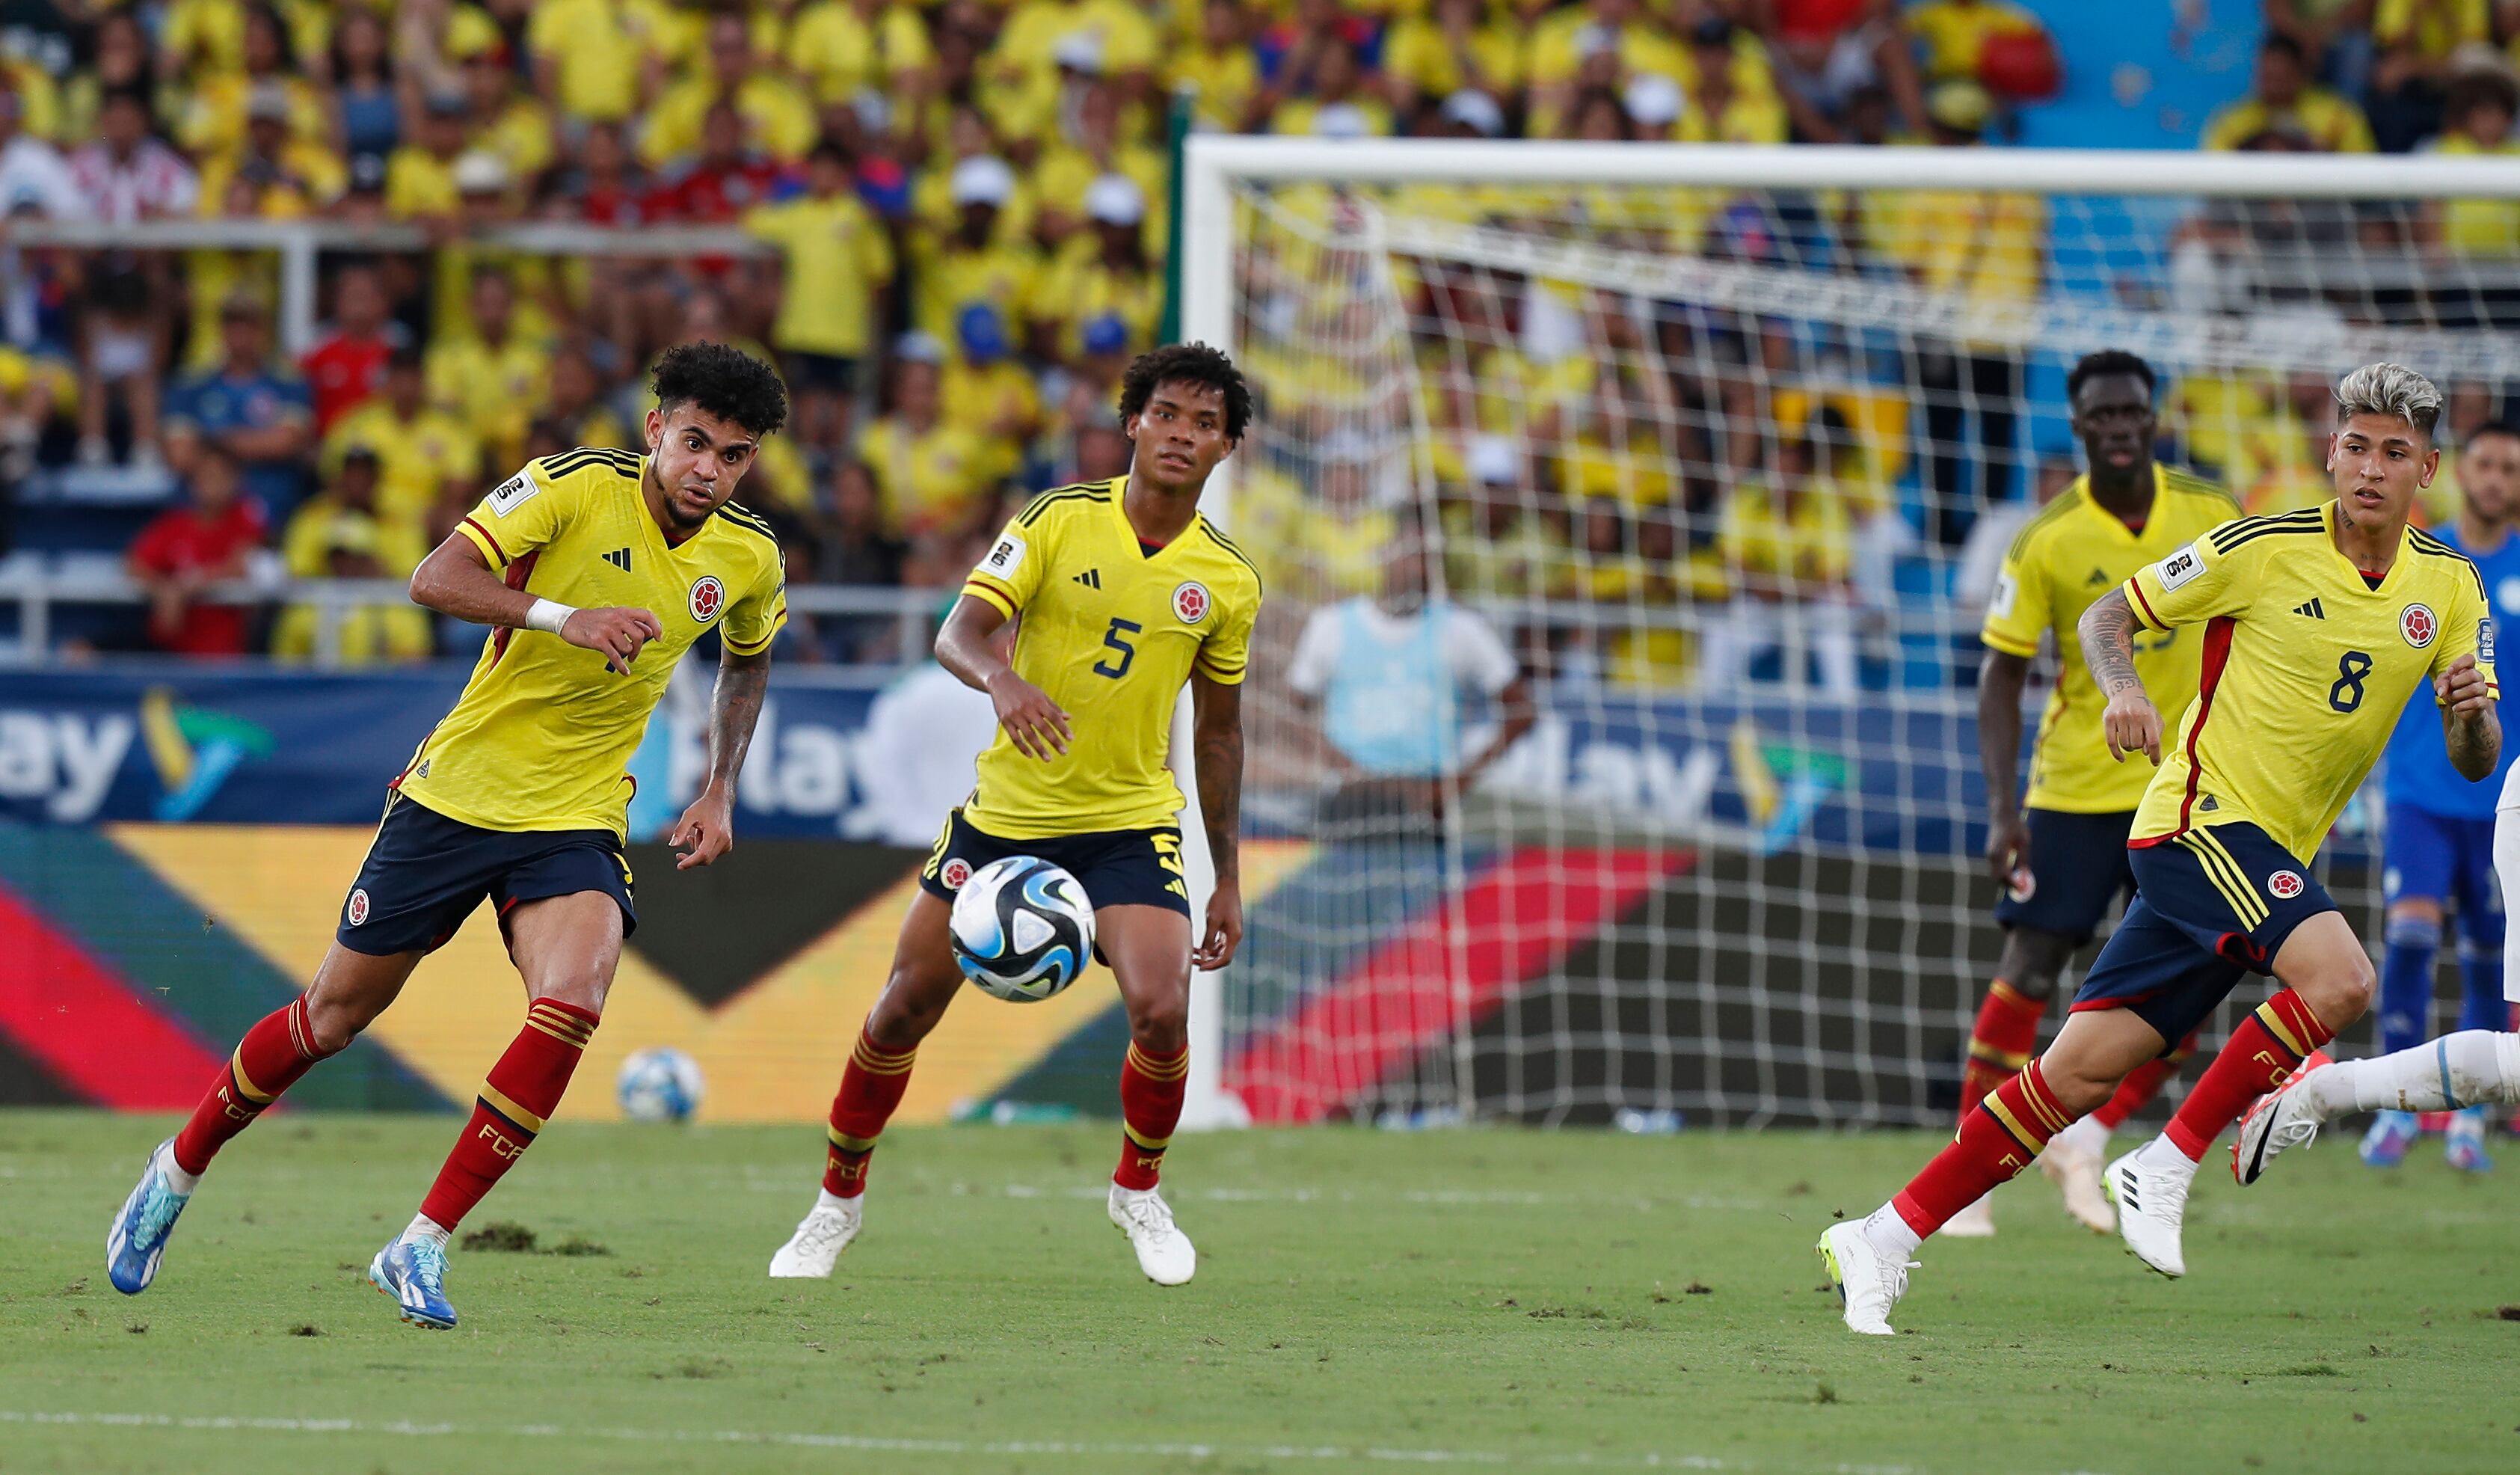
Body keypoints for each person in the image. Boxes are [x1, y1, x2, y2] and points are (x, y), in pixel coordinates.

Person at [107, 345, 793, 1331]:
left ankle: (419, 1244)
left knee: (574, 1002)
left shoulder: (749, 554)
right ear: (655, 431)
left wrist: (722, 786)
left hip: (576, 813)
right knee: (330, 1021)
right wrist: (565, 616)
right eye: (694, 443)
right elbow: (435, 578)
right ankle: (177, 1169)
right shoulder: (569, 488)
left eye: (732, 457)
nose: (708, 472)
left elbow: (747, 661)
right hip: (456, 796)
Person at [1821, 363, 2499, 1333]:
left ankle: (1882, 1235)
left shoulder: (2450, 587)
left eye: (2393, 452)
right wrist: (2126, 689)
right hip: (2197, 821)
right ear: (2329, 451)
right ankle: (2166, 1160)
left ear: (2425, 469)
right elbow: (2108, 617)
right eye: (2354, 444)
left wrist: (2469, 716)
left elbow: (2474, 761)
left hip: (2267, 850)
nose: (2368, 467)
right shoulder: (2258, 546)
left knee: (2075, 1076)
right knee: (2342, 979)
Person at [767, 343, 1259, 1288]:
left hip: (1128, 821)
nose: (1181, 434)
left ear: (1225, 447)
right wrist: (1002, 681)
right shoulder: (1056, 520)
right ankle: (835, 1202)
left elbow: (1220, 734)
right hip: (1009, 815)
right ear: (1132, 422)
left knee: (1162, 1009)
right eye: (1166, 414)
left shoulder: (1228, 580)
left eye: (1205, 423)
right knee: (903, 1005)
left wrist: (1226, 874)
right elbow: (960, 630)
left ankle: (1138, 1190)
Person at [1952, 352, 2239, 1237]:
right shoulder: (2047, 537)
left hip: (2187, 787)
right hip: (2073, 788)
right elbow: (1999, 678)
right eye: (2100, 416)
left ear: (2151, 419)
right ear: (2077, 429)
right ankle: (1971, 1172)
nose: (2118, 427)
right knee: (2030, 969)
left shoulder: (2211, 515)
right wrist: (2004, 811)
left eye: (2132, 412)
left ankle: (2087, 1130)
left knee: (2195, 983)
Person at [2361, 420, 2520, 1171]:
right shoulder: (2421, 560)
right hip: (2422, 787)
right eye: (2483, 463)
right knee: (2413, 936)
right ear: (2457, 470)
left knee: (2491, 954)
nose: (2494, 478)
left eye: (2509, 468)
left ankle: (2470, 1116)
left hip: (2503, 800)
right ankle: (2395, 1111)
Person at [1287, 519, 1535, 834]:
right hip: (1351, 794)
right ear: (1385, 556)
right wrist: (1339, 762)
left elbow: (1523, 710)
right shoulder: (1331, 625)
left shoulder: (1461, 629)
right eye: (1411, 556)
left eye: (1428, 560)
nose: (1418, 570)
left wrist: (1460, 780)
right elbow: (1291, 710)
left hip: (1426, 799)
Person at [126, 441, 265, 657]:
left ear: (235, 481)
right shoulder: (174, 525)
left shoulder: (245, 519)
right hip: (170, 648)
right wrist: (163, 590)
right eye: (205, 476)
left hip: (224, 654)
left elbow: (240, 565)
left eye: (220, 477)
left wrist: (189, 586)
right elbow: (135, 566)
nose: (212, 485)